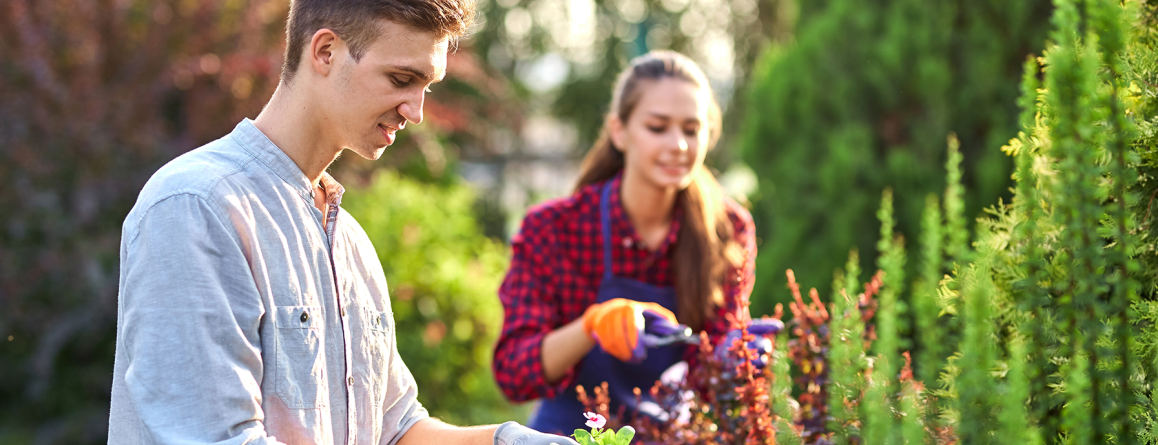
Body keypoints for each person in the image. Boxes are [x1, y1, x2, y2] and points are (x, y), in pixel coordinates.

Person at [107, 1, 576, 444]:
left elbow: (397, 431)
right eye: (400, 79)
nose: (416, 111)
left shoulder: (348, 241)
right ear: (326, 51)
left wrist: (510, 440)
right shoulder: (198, 206)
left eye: (425, 87)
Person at [492, 51, 781, 435]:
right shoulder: (554, 229)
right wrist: (590, 326)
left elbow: (707, 377)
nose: (678, 145)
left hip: (672, 434)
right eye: (658, 127)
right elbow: (514, 372)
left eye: (691, 130)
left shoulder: (727, 229)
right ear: (619, 131)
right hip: (569, 435)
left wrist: (733, 358)